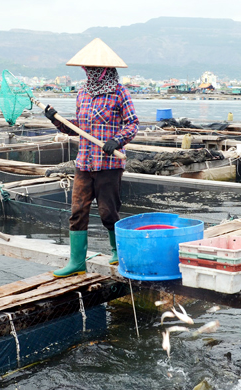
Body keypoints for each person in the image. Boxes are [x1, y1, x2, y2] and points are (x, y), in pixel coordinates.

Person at [43, 38, 139, 277]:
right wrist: (56, 120)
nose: (89, 73)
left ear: (105, 70)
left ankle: (117, 251)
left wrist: (118, 140)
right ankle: (77, 262)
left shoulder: (120, 92)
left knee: (108, 211)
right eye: (88, 69)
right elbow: (77, 128)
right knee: (78, 211)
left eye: (94, 69)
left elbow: (133, 123)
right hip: (84, 163)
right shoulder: (83, 93)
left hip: (109, 164)